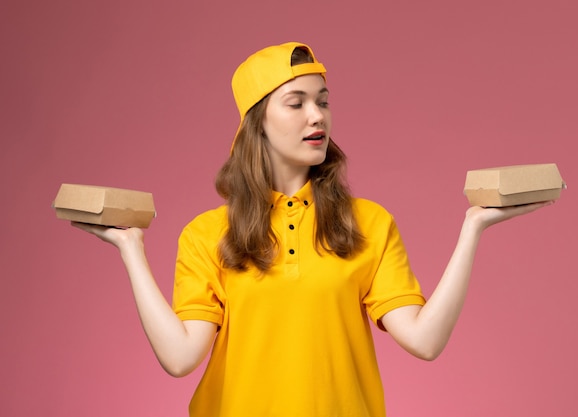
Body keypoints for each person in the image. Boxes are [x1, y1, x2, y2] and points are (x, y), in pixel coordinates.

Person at [72, 42, 553, 416]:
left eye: (322, 101)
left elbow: (425, 341)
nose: (317, 115)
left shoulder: (368, 222)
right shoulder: (206, 235)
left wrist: (473, 228)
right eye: (295, 102)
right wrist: (131, 249)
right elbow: (180, 358)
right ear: (256, 123)